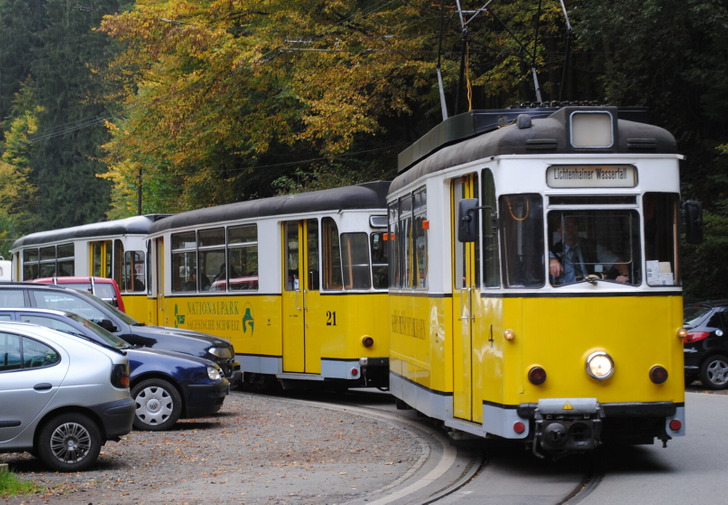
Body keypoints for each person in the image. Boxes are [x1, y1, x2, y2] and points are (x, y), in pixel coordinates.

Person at [549, 216, 630, 285]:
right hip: (565, 293)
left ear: (578, 229)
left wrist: (625, 276)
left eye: (574, 225)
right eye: (566, 226)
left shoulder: (592, 247)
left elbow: (620, 264)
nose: (570, 229)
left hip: (591, 289)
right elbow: (539, 264)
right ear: (559, 230)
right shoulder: (552, 251)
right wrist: (551, 260)